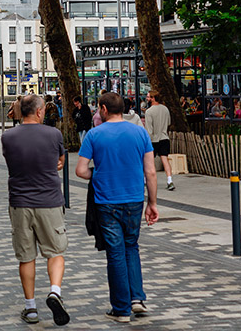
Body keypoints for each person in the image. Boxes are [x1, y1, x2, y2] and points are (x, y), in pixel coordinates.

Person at [75, 92, 158, 323]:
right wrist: (152, 203)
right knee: (132, 246)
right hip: (134, 199)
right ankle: (137, 299)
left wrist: (98, 173)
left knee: (115, 252)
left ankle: (121, 309)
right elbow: (150, 171)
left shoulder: (94, 135)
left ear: (102, 109)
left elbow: (80, 171)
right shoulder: (140, 132)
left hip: (106, 201)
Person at [1, 95, 70, 326]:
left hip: (20, 203)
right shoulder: (53, 134)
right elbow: (60, 160)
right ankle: (54, 292)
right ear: (40, 112)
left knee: (26, 256)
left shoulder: (7, 137)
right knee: (55, 251)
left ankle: (30, 308)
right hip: (49, 201)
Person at [145, 90, 174, 191]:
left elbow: (149, 130)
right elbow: (169, 122)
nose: (147, 99)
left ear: (153, 98)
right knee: (165, 160)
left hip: (153, 140)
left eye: (148, 97)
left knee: (149, 161)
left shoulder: (149, 112)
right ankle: (170, 180)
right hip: (164, 137)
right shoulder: (165, 109)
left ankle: (148, 180)